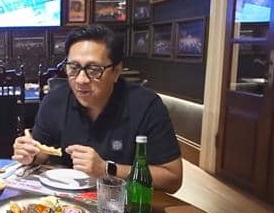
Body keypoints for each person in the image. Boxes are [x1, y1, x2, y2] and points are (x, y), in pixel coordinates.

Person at [12, 24, 182, 193]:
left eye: (94, 70)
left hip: (120, 202)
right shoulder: (54, 100)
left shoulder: (146, 105)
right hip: (65, 200)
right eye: (74, 68)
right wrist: (30, 155)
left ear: (116, 71)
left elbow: (172, 178)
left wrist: (107, 169)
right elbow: (43, 151)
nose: (81, 80)